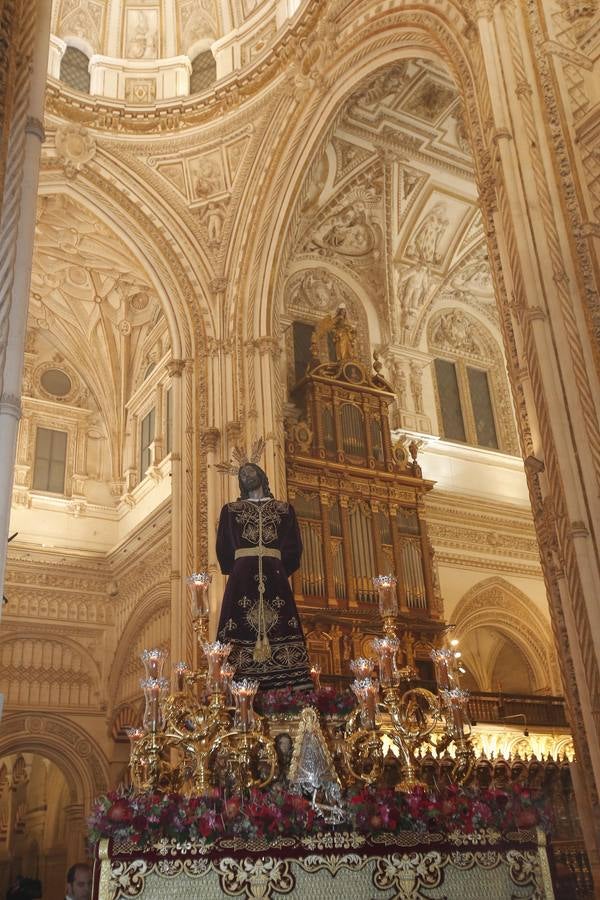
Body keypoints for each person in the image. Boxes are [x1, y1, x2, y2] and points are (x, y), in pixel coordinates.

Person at [216, 463, 312, 692]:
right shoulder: (230, 510)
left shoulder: (284, 510)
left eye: (250, 472)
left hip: (275, 577)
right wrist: (241, 568)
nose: (247, 476)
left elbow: (294, 549)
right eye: (242, 475)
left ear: (261, 474)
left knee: (281, 624)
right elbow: (223, 549)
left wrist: (276, 566)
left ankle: (287, 684)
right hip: (242, 580)